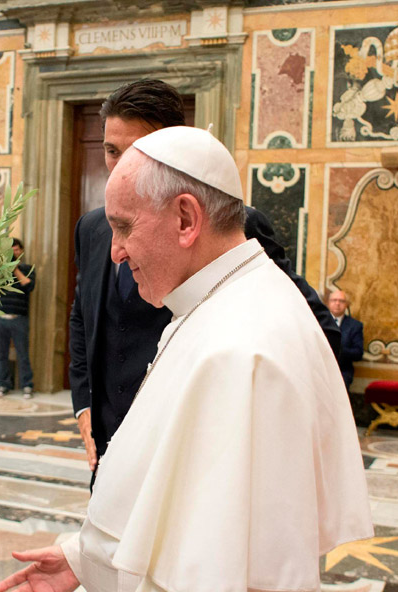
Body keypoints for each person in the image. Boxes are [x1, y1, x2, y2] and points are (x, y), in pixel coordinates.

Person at [0, 126, 371, 592]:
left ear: (187, 219)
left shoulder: (244, 348)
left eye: (124, 228)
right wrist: (88, 558)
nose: (116, 253)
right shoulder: (217, 300)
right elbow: (171, 478)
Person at [68, 79, 341, 486]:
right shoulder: (91, 229)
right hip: (110, 459)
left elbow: (317, 336)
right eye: (111, 151)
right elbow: (82, 316)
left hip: (194, 467)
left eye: (137, 151)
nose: (120, 165)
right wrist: (84, 404)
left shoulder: (233, 226)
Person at [0, 238, 35, 398]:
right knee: (1, 354)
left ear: (21, 251)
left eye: (16, 250)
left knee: (22, 353)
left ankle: (27, 385)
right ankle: (3, 384)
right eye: (11, 250)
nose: (14, 253)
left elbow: (29, 285)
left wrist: (15, 269)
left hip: (19, 318)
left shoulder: (27, 269)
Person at [328, 289, 364, 390]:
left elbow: (358, 353)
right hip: (321, 370)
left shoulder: (355, 326)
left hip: (342, 371)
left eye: (341, 301)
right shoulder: (318, 322)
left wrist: (340, 349)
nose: (337, 303)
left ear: (347, 304)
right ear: (328, 303)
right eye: (334, 300)